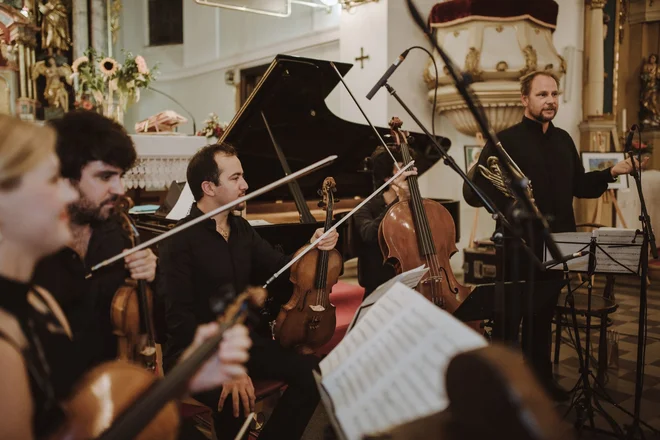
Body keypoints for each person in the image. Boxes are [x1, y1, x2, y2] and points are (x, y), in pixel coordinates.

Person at [0, 114, 251, 439]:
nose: (65, 195)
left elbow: (86, 396)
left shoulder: (38, 297)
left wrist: (186, 376)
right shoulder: (9, 336)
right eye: (51, 180)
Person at [462, 70, 645, 401]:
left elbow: (579, 187)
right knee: (508, 321)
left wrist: (610, 173)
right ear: (525, 100)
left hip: (558, 247)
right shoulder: (505, 140)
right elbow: (473, 192)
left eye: (554, 94)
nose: (550, 100)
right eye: (542, 94)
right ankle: (498, 391)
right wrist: (499, 203)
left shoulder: (564, 140)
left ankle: (540, 384)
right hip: (517, 247)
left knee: (541, 320)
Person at [158, 142, 339, 440]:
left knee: (317, 372)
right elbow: (180, 321)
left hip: (243, 342)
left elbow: (284, 270)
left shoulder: (241, 229)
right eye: (235, 178)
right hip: (195, 352)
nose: (245, 185)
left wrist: (313, 245)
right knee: (235, 398)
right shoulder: (178, 241)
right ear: (209, 187)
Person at [33, 110, 159, 396]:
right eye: (105, 176)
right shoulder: (31, 249)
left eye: (120, 176)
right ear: (63, 177)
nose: (120, 189)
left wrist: (151, 274)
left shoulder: (119, 232)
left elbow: (152, 323)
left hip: (116, 385)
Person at [353, 146, 417, 297]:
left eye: (412, 169)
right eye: (403, 169)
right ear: (387, 178)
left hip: (415, 284)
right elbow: (369, 235)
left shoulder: (419, 207)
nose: (412, 173)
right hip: (379, 288)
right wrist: (398, 201)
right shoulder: (365, 208)